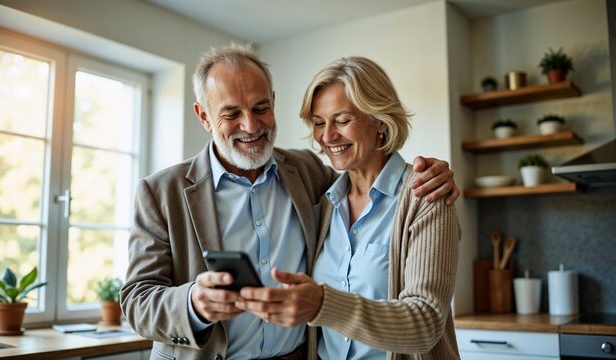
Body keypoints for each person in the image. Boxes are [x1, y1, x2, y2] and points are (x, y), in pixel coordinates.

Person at [120, 44, 459, 360]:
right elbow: (136, 300)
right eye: (231, 113)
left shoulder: (310, 177)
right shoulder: (161, 192)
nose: (250, 125)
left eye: (260, 108)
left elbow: (381, 182)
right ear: (204, 116)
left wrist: (436, 176)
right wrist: (192, 303)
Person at [236, 56, 461, 359]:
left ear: (380, 120)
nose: (328, 136)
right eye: (319, 123)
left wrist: (322, 305)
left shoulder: (425, 196)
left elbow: (425, 323)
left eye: (342, 121)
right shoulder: (324, 200)